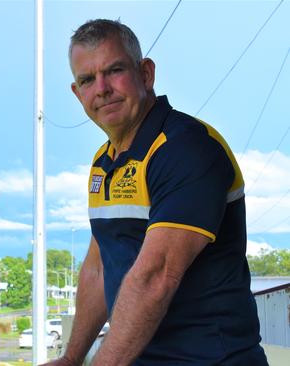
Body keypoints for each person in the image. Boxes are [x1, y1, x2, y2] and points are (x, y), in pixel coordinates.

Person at [43, 19, 268, 365]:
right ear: (77, 93)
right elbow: (99, 267)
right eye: (87, 79)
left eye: (114, 70)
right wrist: (71, 358)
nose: (101, 88)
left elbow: (155, 277)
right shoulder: (103, 163)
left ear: (145, 73)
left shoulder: (187, 148)